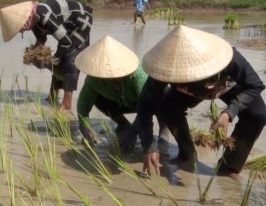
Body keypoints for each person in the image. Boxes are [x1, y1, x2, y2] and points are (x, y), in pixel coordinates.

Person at [136, 25, 266, 181]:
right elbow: (145, 106)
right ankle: (187, 154)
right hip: (192, 88)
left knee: (258, 115)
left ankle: (229, 166)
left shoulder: (229, 58)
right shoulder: (164, 70)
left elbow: (255, 85)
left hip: (229, 86)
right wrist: (149, 146)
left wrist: (229, 112)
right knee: (168, 108)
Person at [75, 35, 169, 149]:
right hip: (120, 103)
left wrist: (133, 132)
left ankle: (164, 128)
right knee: (97, 99)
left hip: (144, 102)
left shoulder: (137, 74)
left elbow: (147, 106)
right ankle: (123, 124)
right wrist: (85, 127)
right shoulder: (94, 79)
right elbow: (83, 105)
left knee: (161, 92)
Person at [0, 0, 92, 115]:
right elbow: (41, 39)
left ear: (25, 19)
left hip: (81, 21)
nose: (21, 31)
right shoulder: (34, 22)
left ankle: (66, 103)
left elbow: (66, 42)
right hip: (67, 26)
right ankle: (52, 96)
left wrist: (54, 60)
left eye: (20, 27)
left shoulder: (43, 14)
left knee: (70, 59)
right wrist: (35, 55)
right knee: (58, 62)